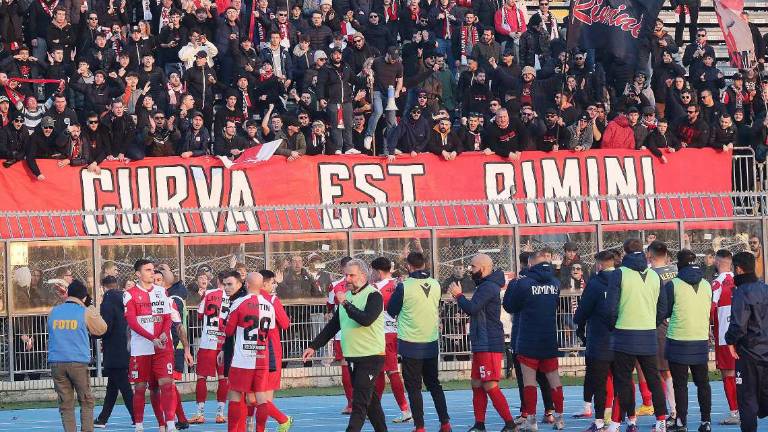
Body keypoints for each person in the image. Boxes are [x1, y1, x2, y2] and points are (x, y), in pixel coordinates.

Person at [303, 259, 388, 432]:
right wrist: (313, 346)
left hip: (371, 356)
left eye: (351, 275)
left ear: (363, 276)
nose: (347, 279)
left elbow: (366, 320)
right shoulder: (346, 297)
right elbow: (334, 325)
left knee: (359, 403)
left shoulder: (374, 295)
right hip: (353, 356)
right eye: (345, 275)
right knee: (370, 402)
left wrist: (345, 304)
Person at [606, 239, 668, 432]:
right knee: (654, 379)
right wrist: (651, 322)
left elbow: (611, 307)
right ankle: (661, 421)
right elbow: (663, 308)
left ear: (624, 252)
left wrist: (615, 324)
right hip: (648, 333)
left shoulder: (619, 273)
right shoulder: (654, 275)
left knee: (624, 381)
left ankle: (623, 422)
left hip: (625, 333)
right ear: (643, 252)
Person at [387, 252, 452, 432]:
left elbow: (391, 311)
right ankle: (445, 422)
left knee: (414, 388)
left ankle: (420, 427)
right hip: (431, 342)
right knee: (434, 384)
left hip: (410, 343)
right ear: (424, 264)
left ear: (408, 266)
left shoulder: (404, 286)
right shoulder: (436, 284)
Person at [451, 254, 516, 432]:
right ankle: (479, 425)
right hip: (481, 342)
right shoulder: (485, 286)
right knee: (477, 383)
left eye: (473, 267)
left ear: (484, 268)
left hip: (489, 343)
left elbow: (472, 308)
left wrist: (459, 296)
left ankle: (510, 424)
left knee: (489, 384)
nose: (470, 270)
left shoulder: (488, 287)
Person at [504, 250, 566, 431]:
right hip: (549, 337)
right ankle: (559, 418)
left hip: (528, 338)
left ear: (530, 265)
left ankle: (531, 422)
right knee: (554, 378)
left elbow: (509, 306)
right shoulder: (555, 282)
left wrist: (513, 286)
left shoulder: (524, 283)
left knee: (529, 381)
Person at [660, 250, 713, 432]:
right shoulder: (707, 284)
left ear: (679, 264)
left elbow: (664, 312)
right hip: (699, 339)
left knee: (680, 384)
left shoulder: (673, 285)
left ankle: (681, 422)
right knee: (703, 383)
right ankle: (706, 422)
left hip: (678, 339)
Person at [124, 259, 179, 432]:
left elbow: (167, 317)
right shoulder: (130, 294)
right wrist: (151, 337)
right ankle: (139, 426)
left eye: (152, 270)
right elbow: (132, 322)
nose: (152, 272)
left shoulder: (162, 292)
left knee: (166, 383)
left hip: (162, 347)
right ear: (138, 274)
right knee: (141, 388)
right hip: (141, 348)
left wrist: (163, 333)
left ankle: (170, 424)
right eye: (147, 270)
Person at [48, 280, 107, 432]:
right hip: (77, 362)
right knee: (86, 400)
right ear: (83, 296)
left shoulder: (54, 311)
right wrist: (90, 305)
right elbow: (101, 329)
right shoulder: (84, 311)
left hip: (56, 362)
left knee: (66, 404)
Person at [573, 250, 617, 431]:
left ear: (599, 265)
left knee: (599, 383)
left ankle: (600, 421)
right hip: (622, 339)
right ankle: (626, 420)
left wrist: (579, 323)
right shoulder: (624, 280)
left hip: (599, 340)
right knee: (622, 383)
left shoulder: (595, 284)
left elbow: (583, 311)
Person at [725, 252, 768, 432]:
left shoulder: (741, 292)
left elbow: (738, 325)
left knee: (747, 399)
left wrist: (730, 341)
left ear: (739, 269)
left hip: (749, 352)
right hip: (765, 349)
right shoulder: (765, 288)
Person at [370, 257, 412, 424]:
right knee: (380, 372)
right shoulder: (399, 284)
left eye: (372, 271)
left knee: (391, 371)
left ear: (378, 271)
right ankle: (374, 409)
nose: (371, 274)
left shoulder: (377, 288)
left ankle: (405, 409)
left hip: (384, 334)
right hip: (392, 332)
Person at [222, 271, 264, 432]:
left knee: (242, 395)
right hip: (255, 355)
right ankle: (250, 423)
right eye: (224, 284)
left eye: (230, 284)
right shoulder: (245, 301)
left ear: (242, 284)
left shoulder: (240, 302)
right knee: (249, 395)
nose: (226, 288)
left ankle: (277, 419)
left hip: (242, 357)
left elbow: (229, 331)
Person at [254, 270, 294, 432]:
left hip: (250, 351)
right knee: (262, 396)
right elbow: (285, 324)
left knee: (253, 396)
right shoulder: (271, 300)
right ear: (264, 283)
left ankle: (262, 426)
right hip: (270, 352)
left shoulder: (247, 299)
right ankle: (282, 419)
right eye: (272, 283)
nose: (273, 286)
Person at [190, 269, 231, 425]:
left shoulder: (208, 293)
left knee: (201, 378)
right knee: (223, 378)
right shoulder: (233, 297)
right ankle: (220, 414)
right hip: (223, 343)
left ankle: (200, 414)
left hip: (208, 342)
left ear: (217, 280)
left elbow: (200, 314)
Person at [95, 276, 135, 428]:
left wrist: (96, 334)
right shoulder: (125, 298)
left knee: (123, 386)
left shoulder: (107, 301)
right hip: (126, 345)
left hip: (113, 348)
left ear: (103, 287)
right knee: (112, 386)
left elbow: (106, 326)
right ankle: (102, 418)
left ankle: (136, 415)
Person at [648, 240, 679, 423]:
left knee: (664, 370)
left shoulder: (651, 275)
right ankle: (677, 410)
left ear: (650, 256)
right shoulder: (676, 270)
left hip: (661, 324)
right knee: (676, 370)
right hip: (680, 322)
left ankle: (674, 411)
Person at [711, 250, 741, 426]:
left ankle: (735, 412)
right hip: (743, 335)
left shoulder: (717, 283)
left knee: (728, 374)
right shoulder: (739, 281)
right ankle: (747, 409)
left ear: (717, 261)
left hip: (725, 336)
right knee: (744, 372)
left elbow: (711, 308)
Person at [326, 256, 355, 414]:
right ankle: (364, 402)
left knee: (345, 364)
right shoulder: (364, 285)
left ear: (341, 268)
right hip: (360, 330)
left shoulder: (335, 285)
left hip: (342, 331)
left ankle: (351, 403)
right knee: (361, 365)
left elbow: (330, 306)